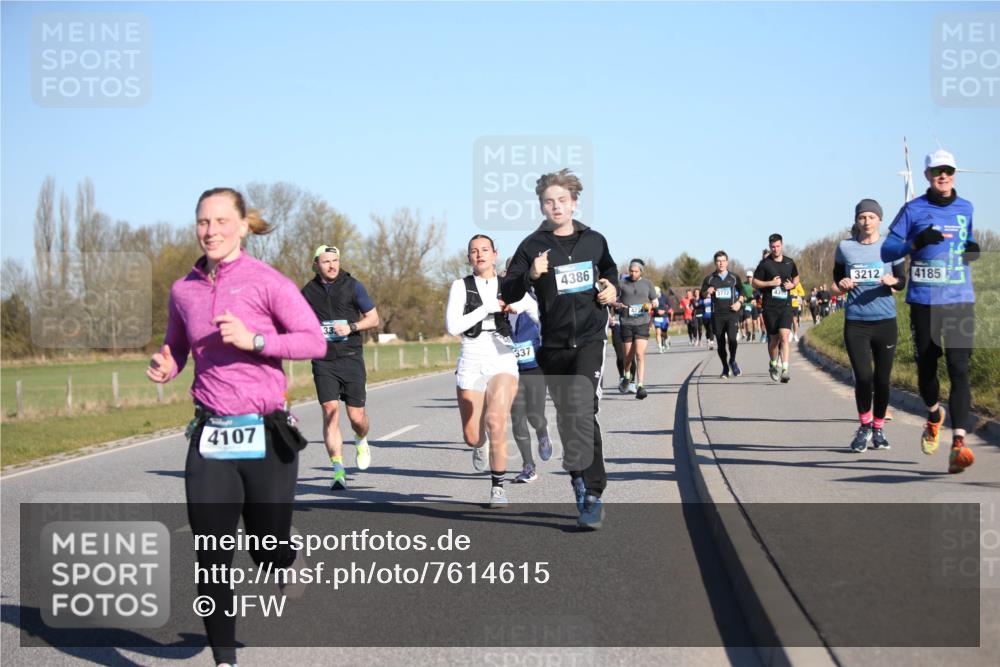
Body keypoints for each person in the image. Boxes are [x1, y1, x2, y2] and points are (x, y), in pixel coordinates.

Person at [147, 187, 326, 667]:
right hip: (211, 435)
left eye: (222, 221)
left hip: (266, 434)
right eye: (203, 222)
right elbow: (176, 345)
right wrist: (168, 363)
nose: (211, 231)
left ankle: (286, 560)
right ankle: (224, 661)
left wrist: (256, 339)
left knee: (266, 549)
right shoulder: (183, 289)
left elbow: (313, 342)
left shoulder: (267, 282)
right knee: (211, 557)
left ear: (243, 226)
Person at [501, 168, 618, 529]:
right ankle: (579, 480)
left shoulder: (594, 240)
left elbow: (611, 272)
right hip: (552, 345)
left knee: (582, 408)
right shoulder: (532, 246)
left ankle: (593, 494)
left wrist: (611, 289)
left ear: (574, 203)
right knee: (570, 416)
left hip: (589, 339)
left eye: (562, 201)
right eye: (549, 202)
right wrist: (531, 275)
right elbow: (507, 292)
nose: (556, 207)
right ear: (542, 206)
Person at [881, 148, 980, 473]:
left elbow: (965, 245)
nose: (943, 175)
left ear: (954, 173)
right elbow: (887, 250)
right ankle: (934, 413)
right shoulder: (913, 209)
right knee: (926, 367)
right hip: (924, 300)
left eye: (949, 170)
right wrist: (914, 243)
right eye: (937, 170)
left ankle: (959, 445)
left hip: (959, 299)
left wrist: (972, 251)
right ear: (926, 175)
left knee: (959, 367)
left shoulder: (966, 207)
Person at [445, 234, 519, 506]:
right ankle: (480, 445)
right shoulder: (460, 286)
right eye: (474, 251)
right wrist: (486, 309)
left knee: (496, 421)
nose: (480, 254)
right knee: (472, 435)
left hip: (502, 353)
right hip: (472, 353)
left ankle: (498, 486)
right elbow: (453, 326)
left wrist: (518, 306)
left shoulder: (508, 285)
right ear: (469, 258)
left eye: (485, 250)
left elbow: (530, 307)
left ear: (495, 254)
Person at [301, 245, 380, 490]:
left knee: (356, 417)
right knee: (330, 412)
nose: (332, 265)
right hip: (323, 360)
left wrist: (352, 327)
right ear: (316, 264)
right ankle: (338, 471)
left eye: (335, 260)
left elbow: (374, 318)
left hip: (351, 357)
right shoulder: (307, 292)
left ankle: (361, 437)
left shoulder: (353, 285)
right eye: (326, 261)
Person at [830, 199, 906, 452]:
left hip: (885, 321)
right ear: (857, 221)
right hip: (857, 322)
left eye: (871, 217)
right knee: (863, 377)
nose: (866, 222)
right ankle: (864, 426)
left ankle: (879, 428)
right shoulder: (845, 247)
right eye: (862, 217)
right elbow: (837, 275)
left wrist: (892, 281)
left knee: (882, 380)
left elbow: (902, 280)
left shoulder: (891, 246)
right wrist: (843, 284)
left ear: (879, 220)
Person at [502, 259, 553, 483]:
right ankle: (528, 466)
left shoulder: (534, 298)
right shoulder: (499, 302)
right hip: (510, 369)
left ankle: (542, 433)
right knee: (517, 418)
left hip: (534, 366)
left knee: (535, 416)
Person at [753, 233, 800, 383]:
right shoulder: (765, 264)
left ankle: (785, 369)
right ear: (769, 246)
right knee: (774, 340)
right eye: (772, 246)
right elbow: (755, 282)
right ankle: (773, 364)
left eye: (778, 246)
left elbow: (796, 277)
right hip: (770, 308)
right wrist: (769, 284)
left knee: (785, 337)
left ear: (782, 245)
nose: (775, 249)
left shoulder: (789, 262)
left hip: (785, 306)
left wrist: (793, 285)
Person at [615, 259, 657, 399]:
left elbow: (655, 301)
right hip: (626, 322)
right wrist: (618, 305)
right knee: (628, 356)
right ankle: (627, 375)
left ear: (641, 272)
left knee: (639, 354)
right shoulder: (622, 283)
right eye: (631, 271)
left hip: (642, 323)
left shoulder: (647, 284)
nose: (633, 273)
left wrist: (651, 305)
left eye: (636, 271)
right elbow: (613, 300)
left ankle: (640, 386)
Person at [701, 251, 746, 378]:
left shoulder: (734, 277)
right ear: (715, 263)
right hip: (717, 315)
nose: (721, 263)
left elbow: (742, 292)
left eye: (723, 261)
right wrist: (707, 292)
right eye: (718, 261)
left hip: (731, 313)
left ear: (727, 262)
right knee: (720, 343)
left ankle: (732, 360)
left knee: (732, 339)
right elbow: (702, 294)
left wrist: (739, 303)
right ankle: (725, 368)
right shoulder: (709, 279)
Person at [652, 286, 671, 352]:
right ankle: (660, 347)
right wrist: (657, 311)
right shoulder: (652, 298)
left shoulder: (664, 297)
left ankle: (666, 340)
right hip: (656, 317)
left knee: (664, 333)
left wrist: (664, 311)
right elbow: (651, 306)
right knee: (658, 333)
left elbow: (669, 306)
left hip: (664, 317)